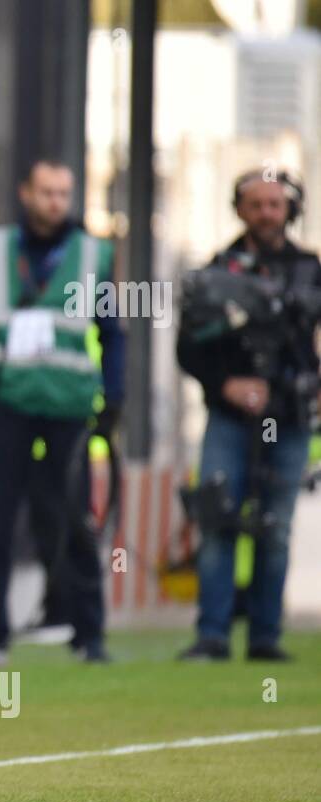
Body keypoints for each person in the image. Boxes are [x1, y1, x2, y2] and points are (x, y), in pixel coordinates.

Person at [0, 158, 125, 665]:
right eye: (47, 192)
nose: (56, 203)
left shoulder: (92, 254)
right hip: (8, 401)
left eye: (64, 194)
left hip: (68, 405)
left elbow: (112, 332)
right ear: (25, 193)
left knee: (73, 515)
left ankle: (90, 635)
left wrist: (114, 398)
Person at [176, 171, 320, 661]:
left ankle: (265, 637)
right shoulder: (216, 272)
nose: (265, 214)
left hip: (290, 415)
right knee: (217, 514)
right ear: (239, 210)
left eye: (274, 204)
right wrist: (226, 384)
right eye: (255, 204)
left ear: (290, 210)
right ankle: (212, 634)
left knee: (275, 526)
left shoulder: (309, 269)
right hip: (230, 416)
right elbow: (188, 348)